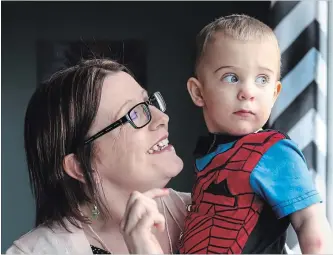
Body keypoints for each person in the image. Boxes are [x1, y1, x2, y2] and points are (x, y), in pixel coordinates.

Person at [179, 14, 333, 254]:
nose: (248, 92)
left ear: (274, 93)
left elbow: (309, 222)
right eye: (231, 77)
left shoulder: (273, 151)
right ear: (198, 92)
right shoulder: (209, 156)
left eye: (262, 79)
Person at [6, 59, 191, 254]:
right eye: (133, 114)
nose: (162, 118)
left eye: (148, 102)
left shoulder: (210, 210)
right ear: (78, 166)